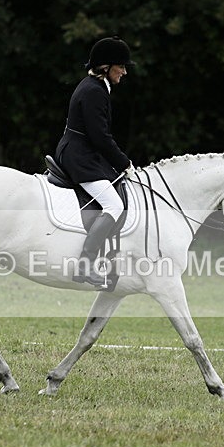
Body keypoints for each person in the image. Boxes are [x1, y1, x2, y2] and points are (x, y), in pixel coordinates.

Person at [55, 36, 135, 288]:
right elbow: (100, 137)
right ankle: (86, 264)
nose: (124, 71)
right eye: (120, 66)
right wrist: (124, 163)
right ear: (105, 67)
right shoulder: (94, 92)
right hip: (80, 156)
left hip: (83, 152)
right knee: (114, 205)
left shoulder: (95, 87)